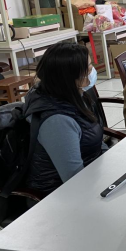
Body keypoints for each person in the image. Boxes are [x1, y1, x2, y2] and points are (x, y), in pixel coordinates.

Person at [23, 43, 106, 195]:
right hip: (59, 195)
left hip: (92, 174)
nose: (92, 72)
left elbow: (94, 137)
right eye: (88, 69)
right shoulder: (57, 122)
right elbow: (75, 180)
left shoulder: (73, 95)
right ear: (69, 77)